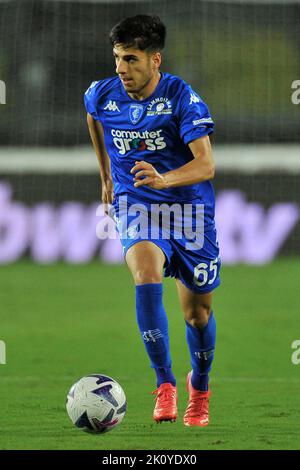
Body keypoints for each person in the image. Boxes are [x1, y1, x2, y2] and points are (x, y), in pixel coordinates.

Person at [84, 14, 220, 427]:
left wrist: (165, 179)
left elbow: (206, 165)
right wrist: (107, 176)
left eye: (130, 59)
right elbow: (93, 116)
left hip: (188, 210)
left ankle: (200, 387)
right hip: (136, 205)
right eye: (117, 59)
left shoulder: (182, 98)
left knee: (197, 315)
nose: (121, 69)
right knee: (146, 276)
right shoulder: (102, 94)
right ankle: (164, 385)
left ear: (154, 59)